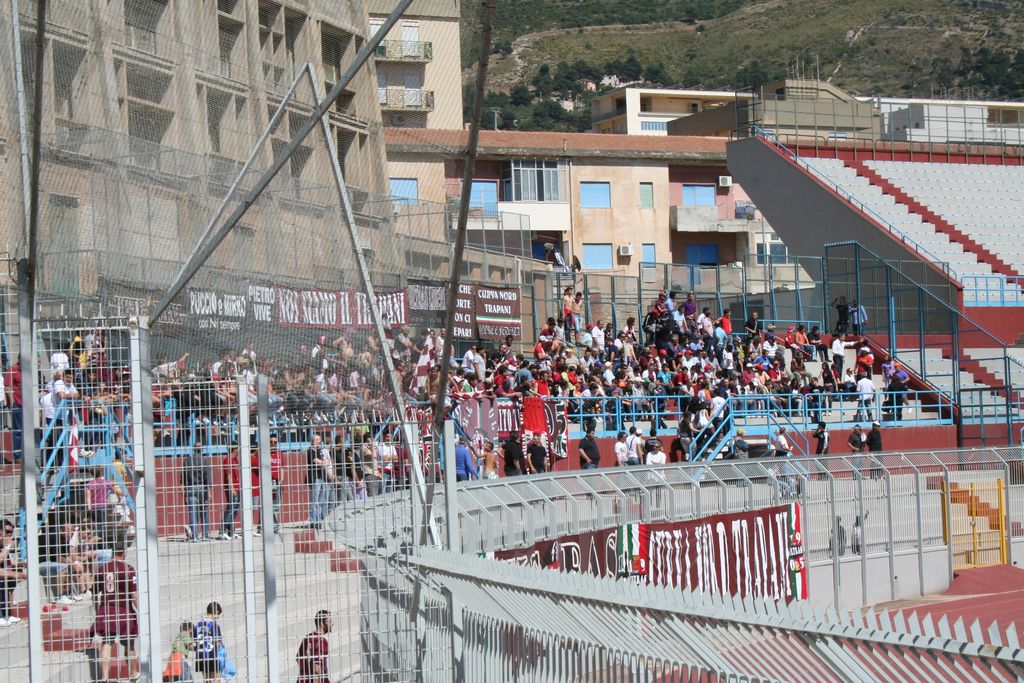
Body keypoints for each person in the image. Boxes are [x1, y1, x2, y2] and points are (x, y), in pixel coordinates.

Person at [92, 538, 139, 682]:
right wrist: (140, 611)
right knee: (129, 643)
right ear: (124, 553)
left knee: (107, 642)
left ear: (113, 553)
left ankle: (105, 677)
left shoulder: (102, 569)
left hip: (107, 609)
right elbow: (134, 595)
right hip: (124, 609)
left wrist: (99, 610)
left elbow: (94, 593)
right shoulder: (129, 569)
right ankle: (134, 673)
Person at [183, 443, 212, 542]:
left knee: (192, 512)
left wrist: (185, 493)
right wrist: (209, 491)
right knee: (204, 510)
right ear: (202, 449)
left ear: (194, 449)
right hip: (202, 486)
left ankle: (195, 536)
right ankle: (205, 535)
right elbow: (207, 476)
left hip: (190, 487)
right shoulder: (205, 460)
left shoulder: (187, 460)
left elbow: (184, 477)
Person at [0, 518, 26, 626]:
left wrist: (20, 564)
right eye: (7, 532)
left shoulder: (3, 545)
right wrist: (8, 546)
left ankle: (6, 614)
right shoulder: (6, 546)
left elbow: (8, 561)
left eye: (11, 532)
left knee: (11, 576)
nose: (10, 535)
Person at [297, 610, 332, 683]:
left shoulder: (307, 638)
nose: (332, 624)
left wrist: (306, 671)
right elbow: (316, 669)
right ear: (321, 623)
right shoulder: (322, 641)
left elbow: (298, 658)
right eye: (329, 621)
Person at [306, 434, 333, 529]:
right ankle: (314, 521)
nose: (319, 441)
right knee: (315, 500)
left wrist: (324, 463)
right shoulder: (310, 451)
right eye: (317, 440)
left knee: (321, 500)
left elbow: (328, 462)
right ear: (312, 441)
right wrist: (323, 462)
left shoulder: (320, 451)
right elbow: (318, 462)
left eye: (319, 440)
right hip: (315, 478)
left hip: (322, 477)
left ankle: (319, 520)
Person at [194, 602, 224, 681]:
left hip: (201, 656)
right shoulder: (214, 625)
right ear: (216, 611)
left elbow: (195, 639)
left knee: (207, 679)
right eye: (218, 614)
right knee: (216, 679)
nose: (218, 617)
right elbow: (217, 642)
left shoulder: (198, 624)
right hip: (211, 655)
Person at [218, 448, 241, 540]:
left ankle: (231, 532)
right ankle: (222, 531)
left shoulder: (235, 460)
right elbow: (229, 475)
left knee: (235, 511)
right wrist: (232, 488)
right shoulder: (228, 460)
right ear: (234, 449)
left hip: (238, 487)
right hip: (232, 489)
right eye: (238, 449)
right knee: (230, 510)